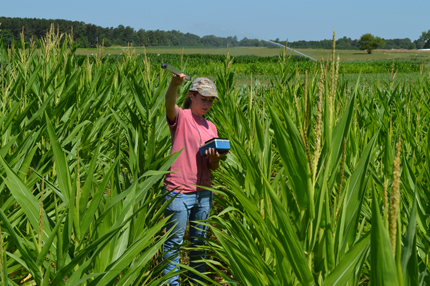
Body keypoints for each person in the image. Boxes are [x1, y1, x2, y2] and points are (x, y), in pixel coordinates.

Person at [163, 73, 227, 286]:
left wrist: (215, 160)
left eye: (210, 101)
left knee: (200, 245)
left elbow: (213, 166)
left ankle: (197, 282)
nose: (207, 104)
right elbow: (169, 103)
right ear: (191, 96)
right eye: (203, 99)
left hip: (203, 192)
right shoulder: (180, 117)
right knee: (174, 244)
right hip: (179, 191)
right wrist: (174, 84)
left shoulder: (211, 128)